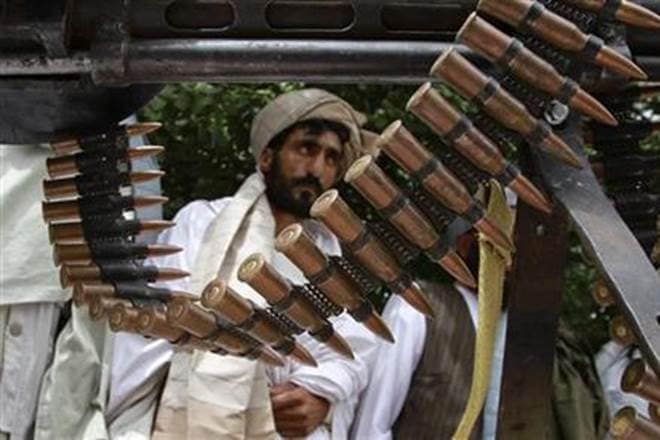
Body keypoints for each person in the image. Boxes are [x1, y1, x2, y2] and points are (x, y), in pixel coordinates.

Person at [114, 88, 379, 439]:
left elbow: (354, 350)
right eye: (306, 148)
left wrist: (319, 397)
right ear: (267, 157)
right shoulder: (202, 222)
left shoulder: (332, 258)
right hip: (191, 419)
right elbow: (156, 325)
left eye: (331, 158)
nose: (317, 169)